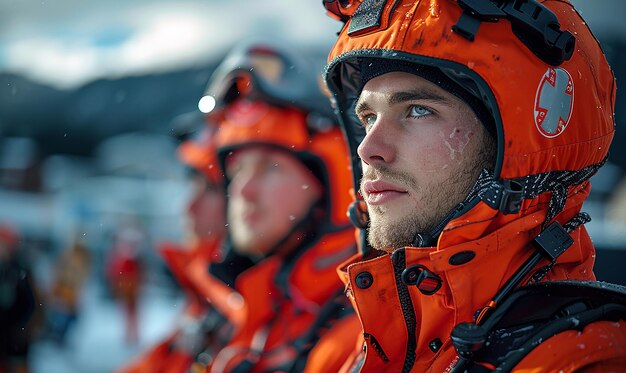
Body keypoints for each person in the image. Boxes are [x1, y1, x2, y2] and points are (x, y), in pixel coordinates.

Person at [321, 0, 626, 371]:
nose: (368, 150)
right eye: (368, 117)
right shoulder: (370, 345)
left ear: (514, 147)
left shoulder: (585, 359)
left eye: (418, 110)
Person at [193, 40, 360, 373]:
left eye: (270, 168)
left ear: (329, 189)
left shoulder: (361, 338)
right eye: (237, 171)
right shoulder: (237, 308)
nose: (244, 190)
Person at [119, 118, 231, 373]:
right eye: (193, 188)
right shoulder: (207, 296)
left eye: (210, 190)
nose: (189, 207)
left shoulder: (236, 302)